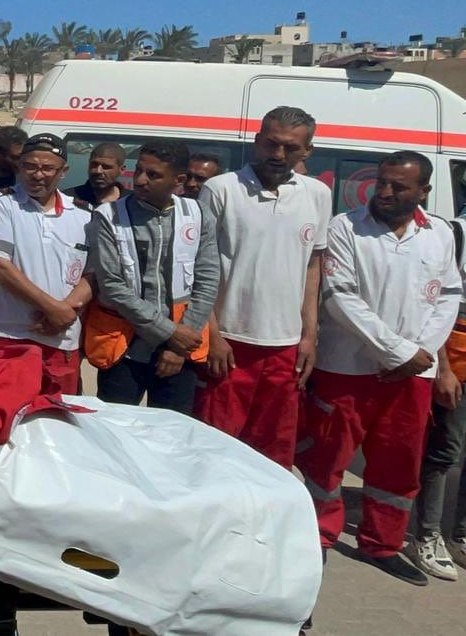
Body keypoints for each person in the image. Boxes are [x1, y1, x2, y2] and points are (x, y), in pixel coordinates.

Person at [297, 151, 459, 586]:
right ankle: (319, 536)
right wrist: (396, 352)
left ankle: (381, 544)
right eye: (382, 182)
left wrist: (419, 353)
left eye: (398, 186)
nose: (384, 192)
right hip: (346, 370)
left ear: (423, 191)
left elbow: (448, 295)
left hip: (412, 376)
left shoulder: (439, 232)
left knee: (398, 464)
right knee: (326, 459)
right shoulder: (346, 227)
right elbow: (339, 296)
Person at [196, 106, 331, 468]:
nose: (279, 155)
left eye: (291, 147)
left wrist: (308, 337)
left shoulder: (317, 194)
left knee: (273, 456)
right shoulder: (221, 190)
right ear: (257, 142)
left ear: (308, 151)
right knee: (216, 451)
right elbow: (198, 268)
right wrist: (212, 335)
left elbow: (313, 269)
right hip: (229, 344)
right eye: (271, 144)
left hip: (285, 349)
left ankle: (262, 526)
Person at [84, 139, 219, 414]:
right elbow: (112, 287)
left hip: (180, 353)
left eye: (153, 175)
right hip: (125, 349)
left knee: (171, 439)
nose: (141, 180)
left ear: (178, 180)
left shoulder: (197, 214)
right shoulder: (108, 216)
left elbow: (207, 279)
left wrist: (179, 346)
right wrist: (170, 333)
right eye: (138, 171)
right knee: (116, 434)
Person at [0, 133, 94, 394]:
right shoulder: (2, 204)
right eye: (30, 166)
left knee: (57, 422)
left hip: (60, 339)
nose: (37, 175)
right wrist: (52, 308)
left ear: (64, 171)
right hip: (3, 337)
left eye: (47, 168)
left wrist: (65, 310)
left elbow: (93, 273)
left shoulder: (84, 214)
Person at [413, 285, 466, 579]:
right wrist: (444, 369)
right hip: (458, 363)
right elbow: (440, 305)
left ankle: (461, 536)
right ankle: (427, 536)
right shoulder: (455, 237)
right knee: (446, 451)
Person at [68, 142, 127, 207]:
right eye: (94, 165)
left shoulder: (131, 201)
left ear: (122, 170)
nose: (98, 171)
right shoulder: (68, 199)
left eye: (106, 167)